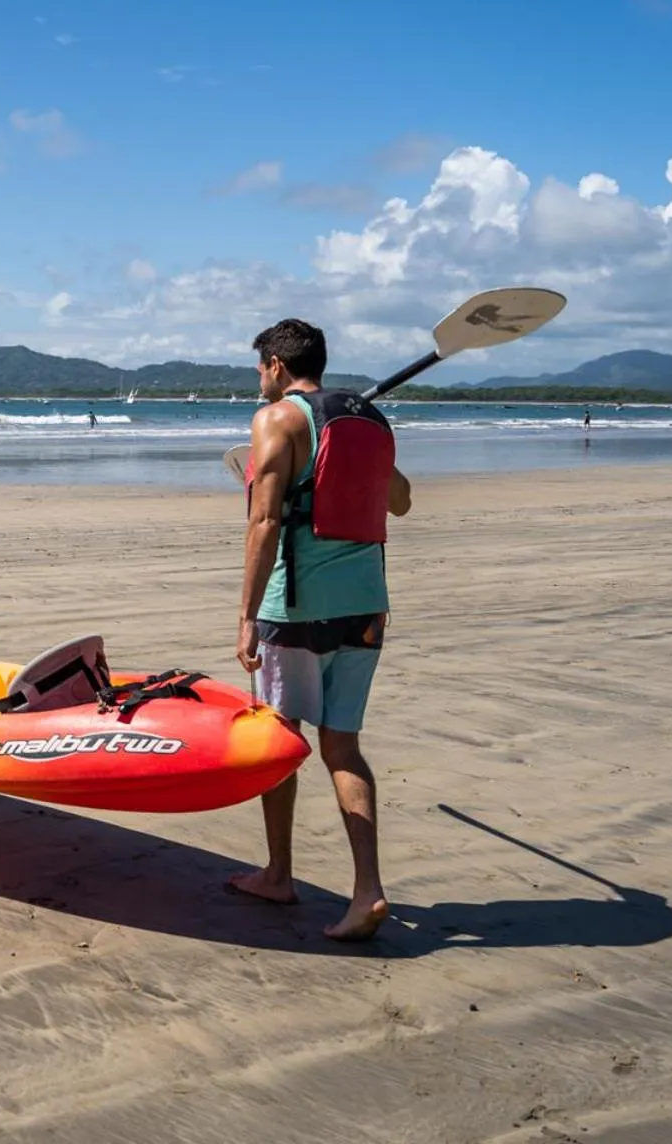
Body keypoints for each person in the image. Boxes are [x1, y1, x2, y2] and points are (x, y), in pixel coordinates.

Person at [230, 319, 411, 942]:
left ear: (277, 366)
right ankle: (368, 891)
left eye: (260, 369)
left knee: (280, 742)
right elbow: (402, 500)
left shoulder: (277, 419)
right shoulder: (368, 421)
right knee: (343, 747)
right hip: (365, 606)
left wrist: (249, 616)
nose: (259, 380)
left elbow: (264, 523)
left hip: (296, 607)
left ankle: (279, 873)